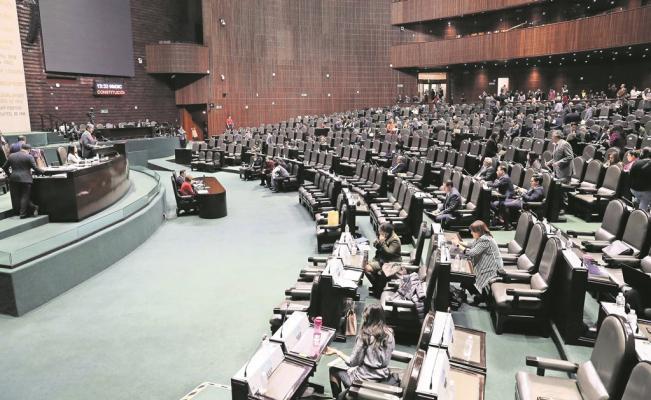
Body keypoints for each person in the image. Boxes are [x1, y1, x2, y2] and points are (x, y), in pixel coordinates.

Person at [325, 303, 395, 399]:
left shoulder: (365, 335)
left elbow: (352, 362)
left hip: (364, 378)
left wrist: (337, 352)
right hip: (383, 376)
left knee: (333, 370)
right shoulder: (390, 333)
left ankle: (343, 396)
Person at [451, 220, 502, 306]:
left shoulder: (485, 240)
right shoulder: (482, 237)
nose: (471, 233)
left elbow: (471, 252)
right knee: (468, 275)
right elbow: (472, 245)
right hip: (486, 265)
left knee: (469, 277)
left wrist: (457, 245)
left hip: (491, 269)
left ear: (478, 231)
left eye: (472, 231)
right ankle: (472, 294)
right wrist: (460, 242)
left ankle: (480, 297)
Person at [2, 144, 45, 218]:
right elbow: (35, 168)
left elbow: (4, 167)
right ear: (29, 150)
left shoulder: (11, 156)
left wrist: (9, 175)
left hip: (14, 179)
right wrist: (43, 172)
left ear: (21, 148)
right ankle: (23, 213)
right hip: (26, 179)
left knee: (19, 196)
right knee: (25, 196)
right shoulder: (29, 156)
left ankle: (34, 207)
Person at [364, 223, 401, 295]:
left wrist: (382, 242)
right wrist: (377, 243)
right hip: (382, 259)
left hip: (390, 263)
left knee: (366, 268)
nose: (379, 233)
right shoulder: (387, 236)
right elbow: (381, 248)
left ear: (386, 233)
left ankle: (378, 290)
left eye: (381, 232)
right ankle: (377, 287)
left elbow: (389, 253)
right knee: (365, 264)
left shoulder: (395, 240)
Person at [547, 131, 574, 209]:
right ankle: (558, 208)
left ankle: (564, 209)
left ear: (556, 136)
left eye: (552, 136)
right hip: (558, 170)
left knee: (563, 190)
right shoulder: (556, 144)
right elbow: (556, 157)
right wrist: (550, 162)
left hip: (565, 171)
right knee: (558, 189)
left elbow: (570, 157)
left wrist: (558, 163)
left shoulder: (565, 144)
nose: (551, 137)